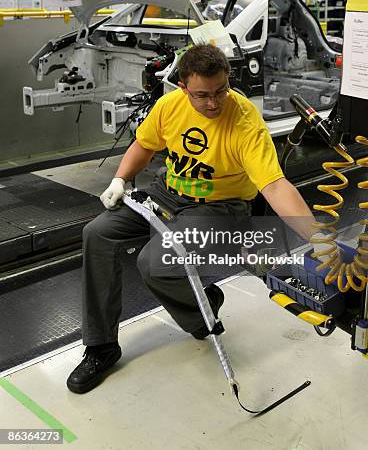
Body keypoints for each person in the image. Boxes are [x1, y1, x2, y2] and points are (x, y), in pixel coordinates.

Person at [66, 44, 317, 394]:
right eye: (202, 95)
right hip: (165, 192)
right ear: (183, 87)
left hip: (219, 206)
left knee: (155, 262)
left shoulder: (244, 121)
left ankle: (202, 310)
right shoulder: (169, 106)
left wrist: (317, 237)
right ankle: (101, 347)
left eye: (220, 92)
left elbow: (275, 186)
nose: (213, 103)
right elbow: (144, 145)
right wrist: (120, 179)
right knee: (97, 233)